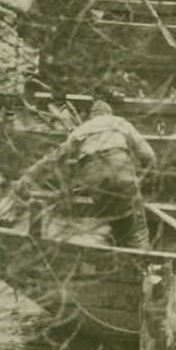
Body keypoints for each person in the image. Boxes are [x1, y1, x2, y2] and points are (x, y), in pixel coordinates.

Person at [17, 100, 156, 249]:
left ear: (91, 117)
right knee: (137, 230)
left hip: (94, 179)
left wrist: (29, 176)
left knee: (111, 220)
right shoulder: (120, 122)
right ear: (109, 114)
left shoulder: (81, 129)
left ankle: (117, 259)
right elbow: (149, 156)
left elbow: (55, 158)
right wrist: (148, 186)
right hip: (121, 172)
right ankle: (142, 265)